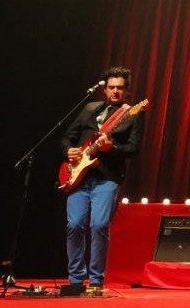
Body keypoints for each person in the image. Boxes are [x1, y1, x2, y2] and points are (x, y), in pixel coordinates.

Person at [60, 66, 143, 296]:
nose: (115, 91)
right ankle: (76, 280)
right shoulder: (89, 108)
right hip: (78, 176)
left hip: (107, 177)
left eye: (120, 88)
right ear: (104, 89)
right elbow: (67, 137)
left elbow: (133, 149)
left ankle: (96, 280)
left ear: (127, 91)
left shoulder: (132, 113)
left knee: (98, 225)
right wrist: (69, 151)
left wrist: (111, 147)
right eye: (111, 87)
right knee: (74, 225)